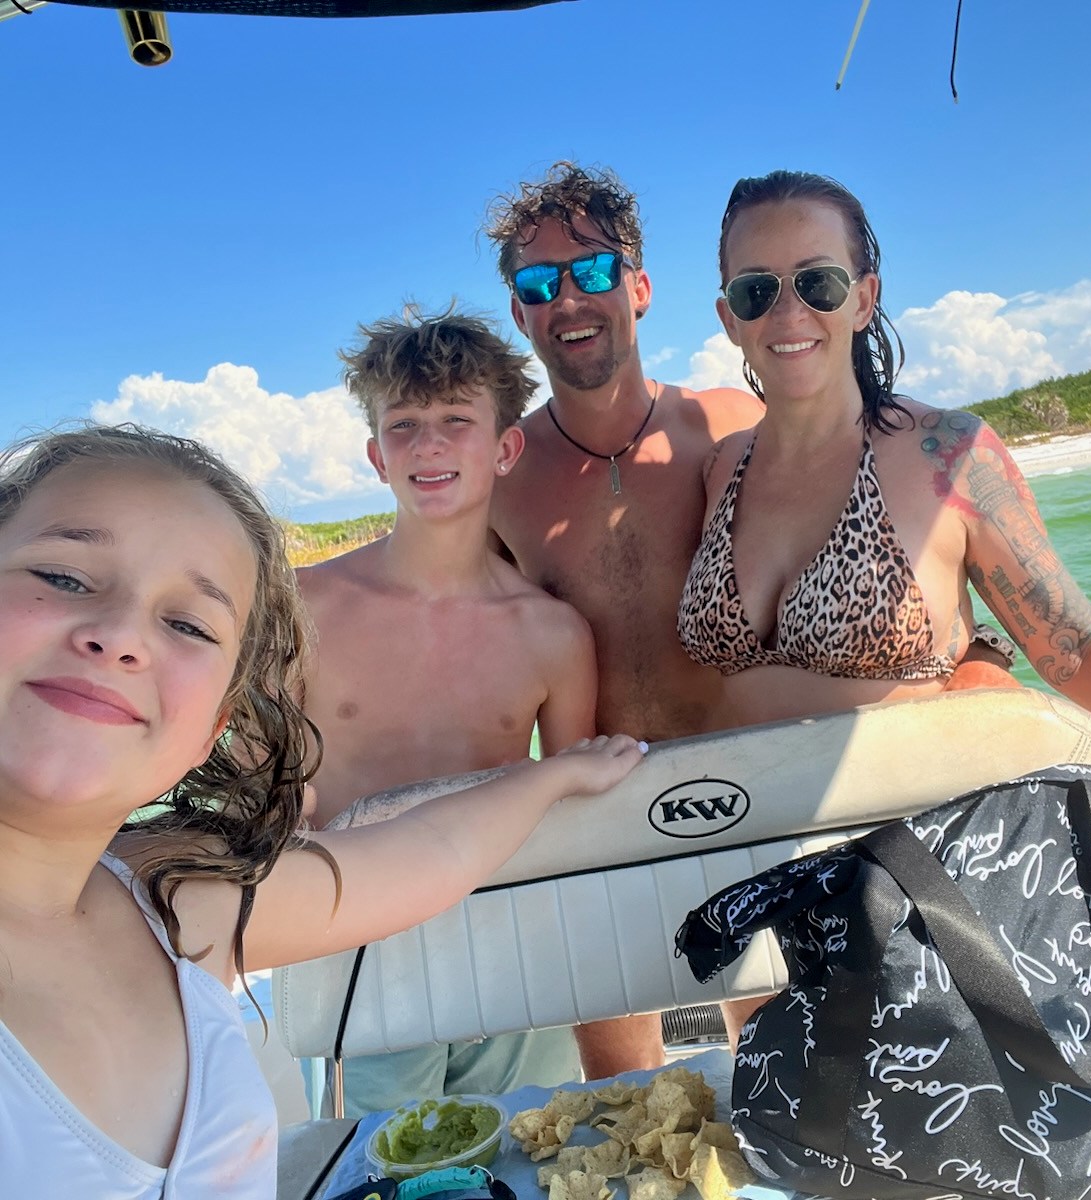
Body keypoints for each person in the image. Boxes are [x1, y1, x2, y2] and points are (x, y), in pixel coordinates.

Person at [0, 423, 644, 1196]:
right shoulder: (187, 907)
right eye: (65, 577)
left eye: (187, 625)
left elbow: (423, 854)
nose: (120, 636)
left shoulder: (173, 902)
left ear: (215, 724)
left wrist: (552, 778)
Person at [676, 168, 1091, 756]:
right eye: (757, 290)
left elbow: (1077, 653)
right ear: (729, 320)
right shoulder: (720, 468)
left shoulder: (951, 453)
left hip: (900, 826)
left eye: (817, 282)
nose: (788, 311)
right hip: (740, 825)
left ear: (862, 300)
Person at [484, 163, 765, 1076]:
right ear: (520, 315)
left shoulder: (731, 424)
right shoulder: (501, 479)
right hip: (596, 807)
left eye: (594, 270)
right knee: (620, 1090)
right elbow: (456, 645)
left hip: (753, 787)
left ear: (639, 286)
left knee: (776, 1054)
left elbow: (858, 538)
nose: (569, 296)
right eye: (538, 284)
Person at [298, 310, 599, 1113]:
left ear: (505, 447)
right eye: (405, 425)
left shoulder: (553, 634)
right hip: (354, 945)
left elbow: (573, 819)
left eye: (456, 421)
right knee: (376, 1165)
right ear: (376, 455)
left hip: (511, 943)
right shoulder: (306, 608)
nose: (429, 445)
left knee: (531, 1152)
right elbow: (264, 785)